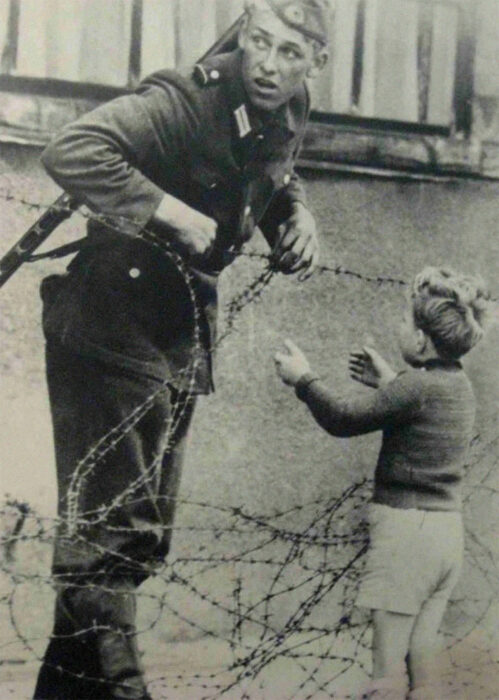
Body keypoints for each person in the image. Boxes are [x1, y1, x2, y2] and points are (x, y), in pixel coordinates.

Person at [33, 2, 330, 698]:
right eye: (258, 42)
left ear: (314, 63)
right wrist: (167, 210)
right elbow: (71, 149)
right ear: (243, 35)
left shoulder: (290, 108)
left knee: (134, 536)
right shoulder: (184, 98)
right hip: (110, 325)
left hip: (178, 334)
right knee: (114, 535)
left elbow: (277, 170)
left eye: (289, 52)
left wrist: (295, 215)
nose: (266, 63)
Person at [274, 267, 489, 699]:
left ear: (422, 340)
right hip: (446, 535)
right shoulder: (459, 386)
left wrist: (304, 379)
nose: (399, 326)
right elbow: (422, 411)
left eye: (406, 322)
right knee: (424, 656)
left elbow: (343, 419)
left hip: (407, 534)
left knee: (387, 668)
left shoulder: (415, 387)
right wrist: (390, 382)